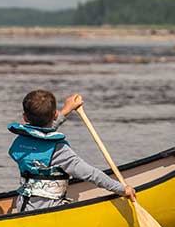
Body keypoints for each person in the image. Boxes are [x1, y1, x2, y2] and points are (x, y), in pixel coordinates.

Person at [8, 90, 136, 213]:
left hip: (24, 206)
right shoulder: (59, 151)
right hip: (50, 211)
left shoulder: (22, 141)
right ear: (55, 114)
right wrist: (123, 190)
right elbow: (91, 174)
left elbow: (41, 134)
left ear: (25, 117)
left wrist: (67, 110)